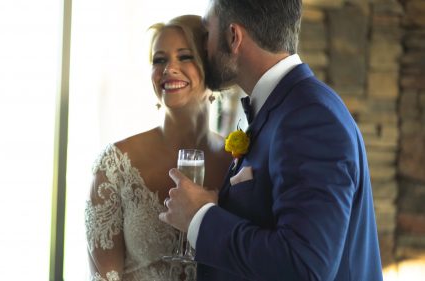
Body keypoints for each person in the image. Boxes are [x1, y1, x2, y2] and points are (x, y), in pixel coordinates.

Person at [159, 1, 384, 280]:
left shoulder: (311, 118)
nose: (203, 47)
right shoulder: (284, 108)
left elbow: (304, 266)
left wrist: (200, 218)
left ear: (233, 37)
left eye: (207, 33)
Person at [85, 15, 232, 281]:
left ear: (211, 66)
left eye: (185, 56)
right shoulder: (115, 166)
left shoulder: (238, 162)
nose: (169, 68)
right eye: (159, 60)